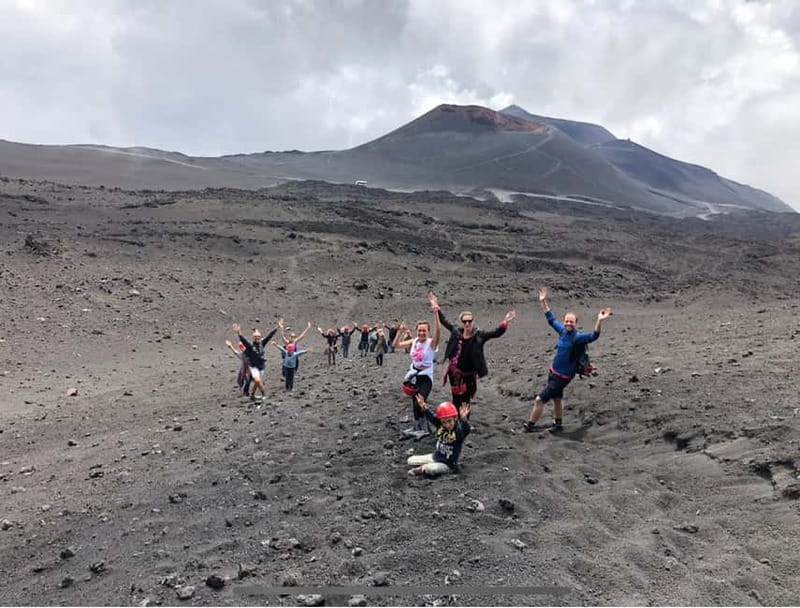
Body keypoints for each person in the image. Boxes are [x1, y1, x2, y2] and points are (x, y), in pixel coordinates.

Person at [523, 287, 612, 433]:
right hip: (554, 373)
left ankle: (530, 425)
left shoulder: (578, 337)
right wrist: (543, 301)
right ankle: (558, 424)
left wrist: (599, 320)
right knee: (557, 399)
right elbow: (550, 318)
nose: (568, 324)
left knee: (539, 400)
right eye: (566, 321)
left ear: (576, 323)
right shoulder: (563, 331)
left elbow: (593, 336)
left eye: (571, 322)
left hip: (562, 377)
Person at [429, 292, 516, 415]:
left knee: (465, 400)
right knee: (456, 397)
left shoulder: (479, 336)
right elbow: (444, 321)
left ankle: (464, 422)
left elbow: (495, 333)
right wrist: (435, 305)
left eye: (470, 321)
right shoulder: (456, 332)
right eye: (465, 322)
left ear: (473, 322)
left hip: (468, 375)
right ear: (461, 322)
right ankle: (456, 420)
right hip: (454, 373)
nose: (467, 324)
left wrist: (506, 321)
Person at [393, 304, 442, 439]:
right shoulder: (414, 341)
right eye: (419, 330)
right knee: (414, 402)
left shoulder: (431, 343)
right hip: (414, 375)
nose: (421, 333)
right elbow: (395, 345)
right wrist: (400, 332)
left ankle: (426, 427)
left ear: (428, 331)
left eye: (424, 331)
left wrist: (435, 313)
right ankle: (417, 427)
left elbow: (438, 330)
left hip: (426, 377)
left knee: (421, 400)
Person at [407, 401, 471, 477]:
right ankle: (427, 466)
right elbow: (432, 417)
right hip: (436, 456)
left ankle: (421, 469)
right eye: (444, 422)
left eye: (450, 421)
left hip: (448, 464)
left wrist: (464, 419)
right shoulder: (440, 425)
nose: (447, 425)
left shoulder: (458, 431)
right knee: (410, 460)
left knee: (430, 469)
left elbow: (466, 430)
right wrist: (424, 407)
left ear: (455, 418)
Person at [233, 322, 279, 401]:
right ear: (253, 338)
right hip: (253, 366)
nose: (257, 338)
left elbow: (269, 337)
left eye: (258, 337)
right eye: (255, 337)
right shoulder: (251, 346)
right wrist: (239, 334)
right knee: (257, 380)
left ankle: (252, 395)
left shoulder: (262, 344)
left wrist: (276, 328)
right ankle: (263, 394)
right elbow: (244, 341)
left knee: (257, 383)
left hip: (261, 366)